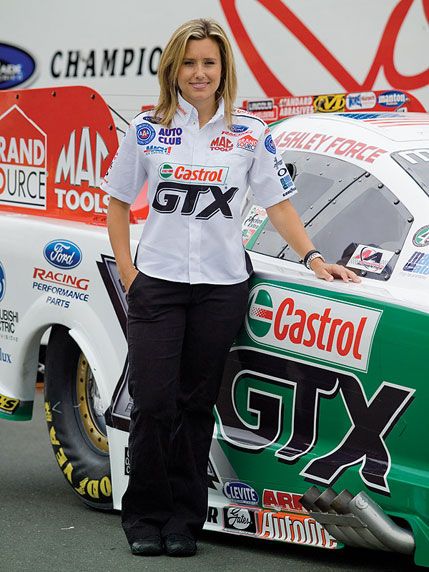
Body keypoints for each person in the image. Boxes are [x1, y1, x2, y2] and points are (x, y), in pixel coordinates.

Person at [102, 17, 360, 558]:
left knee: (197, 405)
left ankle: (183, 520)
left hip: (222, 288)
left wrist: (314, 258)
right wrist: (129, 272)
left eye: (209, 63)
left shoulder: (248, 132)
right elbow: (119, 202)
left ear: (223, 71)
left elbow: (278, 204)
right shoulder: (146, 128)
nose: (199, 73)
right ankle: (144, 516)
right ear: (173, 68)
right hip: (159, 285)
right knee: (153, 402)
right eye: (189, 62)